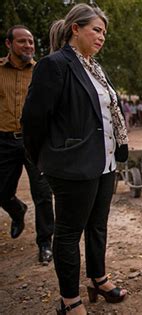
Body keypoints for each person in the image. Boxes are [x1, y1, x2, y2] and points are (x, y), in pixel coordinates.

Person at [22, 4, 128, 314]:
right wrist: (46, 158)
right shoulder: (54, 65)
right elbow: (33, 120)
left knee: (98, 226)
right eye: (96, 29)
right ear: (75, 29)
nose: (101, 37)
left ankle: (98, 278)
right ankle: (70, 300)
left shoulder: (95, 68)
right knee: (68, 233)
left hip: (105, 162)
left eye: (104, 32)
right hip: (73, 166)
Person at [0, 25, 54, 263]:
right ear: (9, 44)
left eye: (31, 42)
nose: (29, 46)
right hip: (4, 140)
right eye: (22, 42)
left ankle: (45, 243)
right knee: (1, 191)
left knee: (42, 193)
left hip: (36, 141)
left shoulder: (42, 70)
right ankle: (16, 209)